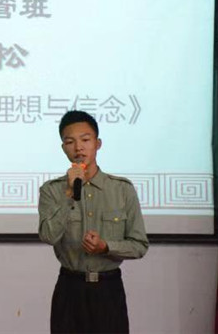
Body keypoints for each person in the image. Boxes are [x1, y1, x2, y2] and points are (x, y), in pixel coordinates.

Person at [38, 110, 148, 333]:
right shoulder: (51, 191)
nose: (78, 148)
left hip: (108, 291)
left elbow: (139, 246)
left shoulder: (122, 190)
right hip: (70, 290)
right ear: (63, 148)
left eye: (85, 140)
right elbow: (48, 236)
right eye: (70, 142)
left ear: (98, 144)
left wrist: (106, 247)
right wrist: (69, 194)